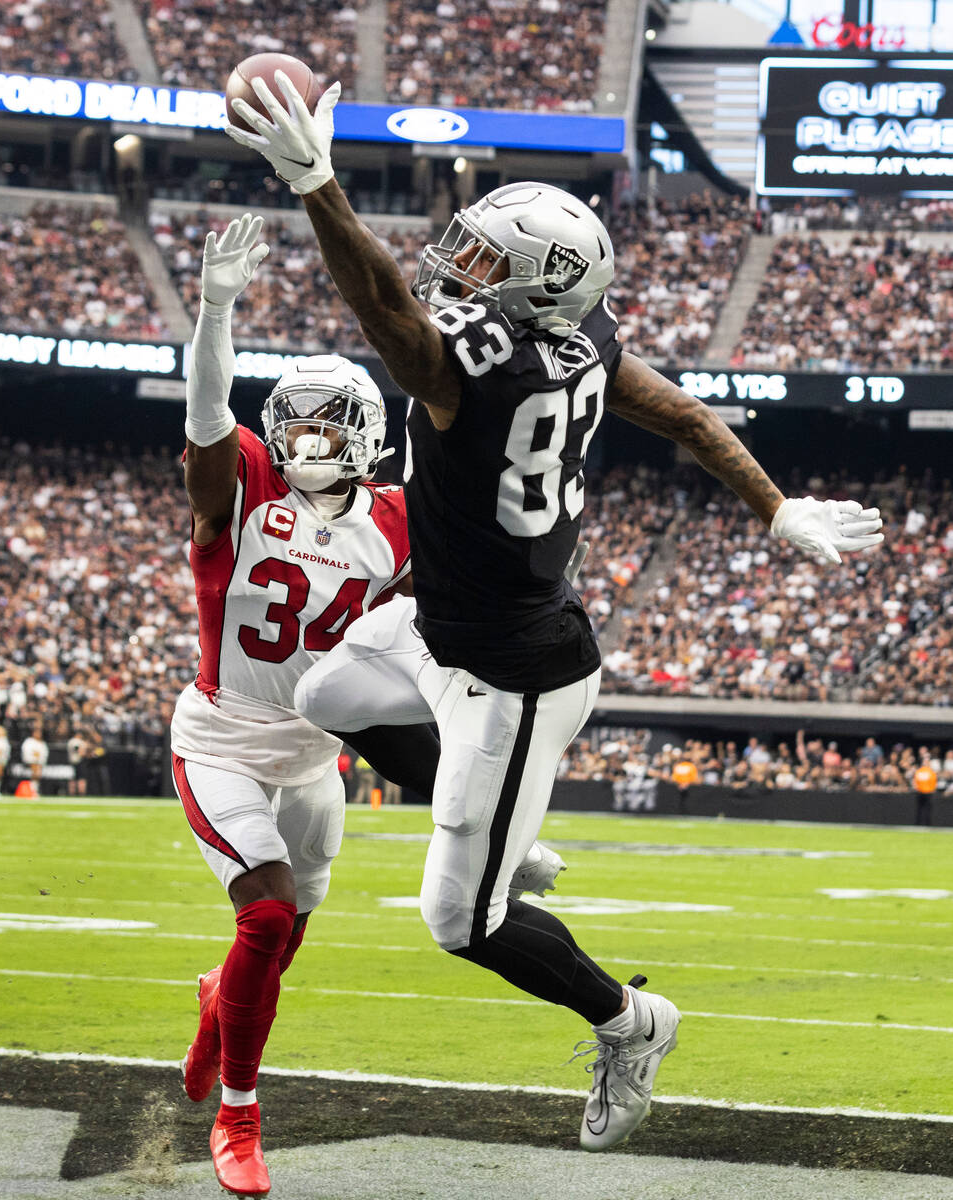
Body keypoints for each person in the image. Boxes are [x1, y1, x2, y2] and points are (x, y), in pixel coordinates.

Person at [227, 74, 886, 1152]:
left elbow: (385, 310)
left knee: (460, 921)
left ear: (540, 288)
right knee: (329, 684)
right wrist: (774, 510)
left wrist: (319, 186)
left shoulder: (473, 373)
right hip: (447, 623)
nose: (462, 268)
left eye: (488, 263)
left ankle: (633, 1023)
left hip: (514, 672)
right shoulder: (585, 341)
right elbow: (683, 412)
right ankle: (507, 828)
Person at [171, 215, 563, 1197]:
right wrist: (217, 307)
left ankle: (222, 1006)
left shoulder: (395, 522)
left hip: (315, 760)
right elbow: (209, 412)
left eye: (326, 422)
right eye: (292, 420)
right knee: (263, 918)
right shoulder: (243, 489)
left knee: (283, 939)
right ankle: (241, 1119)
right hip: (221, 740)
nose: (304, 437)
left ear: (367, 439)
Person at [20, 725, 48, 793]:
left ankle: (34, 789)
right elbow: (26, 752)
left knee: (38, 772)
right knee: (35, 769)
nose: (39, 735)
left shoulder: (42, 743)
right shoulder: (29, 741)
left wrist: (39, 759)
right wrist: (34, 757)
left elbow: (44, 754)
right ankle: (32, 790)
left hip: (39, 763)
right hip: (29, 762)